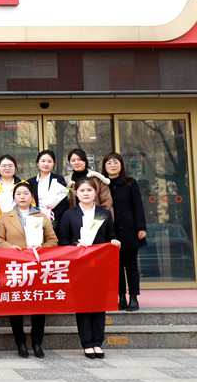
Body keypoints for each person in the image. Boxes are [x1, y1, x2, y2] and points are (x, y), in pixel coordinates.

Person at [58, 177, 121, 359]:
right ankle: (86, 343)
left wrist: (114, 242)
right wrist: (74, 246)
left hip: (100, 266)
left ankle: (97, 342)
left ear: (95, 192)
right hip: (79, 266)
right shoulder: (69, 215)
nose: (86, 194)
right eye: (82, 191)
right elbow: (63, 240)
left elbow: (111, 236)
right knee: (83, 304)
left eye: (89, 190)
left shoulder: (104, 213)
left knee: (99, 304)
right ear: (76, 194)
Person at [0, 182, 58, 359]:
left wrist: (40, 249)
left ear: (32, 197)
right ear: (14, 197)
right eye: (18, 193)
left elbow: (52, 240)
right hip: (14, 266)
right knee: (16, 304)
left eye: (26, 193)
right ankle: (20, 342)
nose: (22, 196)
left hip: (37, 267)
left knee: (38, 304)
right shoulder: (6, 216)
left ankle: (37, 343)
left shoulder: (41, 216)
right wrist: (10, 247)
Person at [102, 152, 147, 311]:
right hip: (111, 231)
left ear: (121, 165)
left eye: (116, 162)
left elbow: (138, 206)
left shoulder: (130, 183)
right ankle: (121, 296)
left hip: (129, 229)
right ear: (104, 166)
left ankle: (133, 297)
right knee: (116, 267)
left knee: (131, 265)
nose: (112, 165)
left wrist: (141, 227)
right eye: (109, 163)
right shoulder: (102, 185)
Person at [27, 150, 69, 233]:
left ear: (54, 164)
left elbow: (64, 201)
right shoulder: (30, 182)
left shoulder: (59, 179)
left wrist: (52, 219)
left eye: (49, 161)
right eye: (43, 161)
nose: (46, 164)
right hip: (35, 220)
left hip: (55, 221)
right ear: (38, 163)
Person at [65, 148, 113, 219]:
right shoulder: (66, 181)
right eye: (73, 160)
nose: (76, 163)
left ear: (85, 161)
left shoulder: (97, 178)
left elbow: (106, 202)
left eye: (79, 160)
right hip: (74, 221)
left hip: (96, 219)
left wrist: (102, 220)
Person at [0, 154, 21, 229]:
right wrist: (1, 220)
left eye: (10, 166)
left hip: (19, 225)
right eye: (4, 166)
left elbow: (30, 205)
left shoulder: (23, 185)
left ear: (15, 168)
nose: (7, 168)